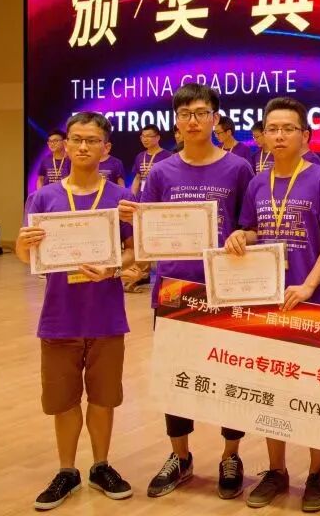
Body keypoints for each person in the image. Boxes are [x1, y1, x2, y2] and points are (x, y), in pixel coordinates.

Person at [117, 84, 256, 501]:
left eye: (201, 112)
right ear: (176, 121)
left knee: (231, 374)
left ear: (215, 118)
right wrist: (134, 245)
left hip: (225, 289)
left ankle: (231, 456)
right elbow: (148, 231)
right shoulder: (162, 172)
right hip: (174, 288)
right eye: (184, 114)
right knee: (175, 376)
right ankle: (180, 456)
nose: (193, 121)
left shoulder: (238, 168)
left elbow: (250, 225)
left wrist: (243, 236)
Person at [224, 97, 320, 512]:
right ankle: (276, 470)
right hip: (267, 301)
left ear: (305, 135)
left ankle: (316, 471)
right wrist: (241, 237)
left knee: (313, 391)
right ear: (263, 136)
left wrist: (310, 285)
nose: (279, 136)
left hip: (312, 301)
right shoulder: (258, 183)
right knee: (270, 388)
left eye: (288, 128)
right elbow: (255, 231)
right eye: (272, 129)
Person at [15, 112, 136, 510]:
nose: (84, 146)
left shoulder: (121, 199)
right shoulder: (44, 198)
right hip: (59, 317)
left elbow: (136, 253)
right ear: (65, 145)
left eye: (92, 140)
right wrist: (24, 244)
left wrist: (116, 267)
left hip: (106, 317)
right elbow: (25, 255)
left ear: (107, 148)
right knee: (64, 401)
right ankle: (67, 471)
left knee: (103, 398)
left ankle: (101, 466)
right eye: (77, 139)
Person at [130, 125, 171, 195]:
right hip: (142, 196)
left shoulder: (168, 156)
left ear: (158, 138)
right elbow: (137, 178)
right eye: (143, 136)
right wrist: (132, 196)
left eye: (148, 136)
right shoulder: (140, 156)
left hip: (159, 196)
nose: (145, 139)